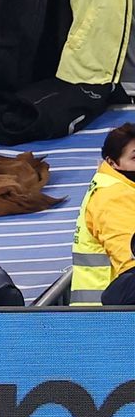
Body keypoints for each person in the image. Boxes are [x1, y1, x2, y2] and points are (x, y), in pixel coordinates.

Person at [70, 123, 135, 306]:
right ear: (113, 162)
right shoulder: (114, 197)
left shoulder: (115, 186)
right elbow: (131, 263)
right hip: (106, 319)